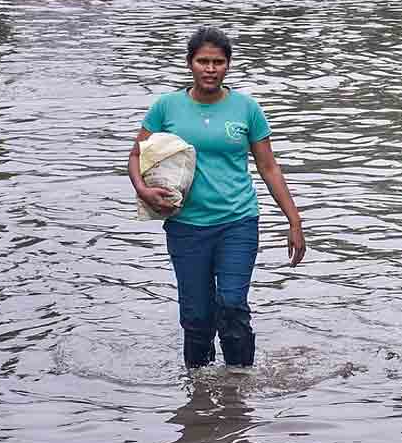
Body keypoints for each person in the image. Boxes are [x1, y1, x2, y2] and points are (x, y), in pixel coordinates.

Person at [129, 27, 308, 370]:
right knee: (195, 316)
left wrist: (294, 220)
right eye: (203, 61)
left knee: (232, 304)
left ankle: (239, 382)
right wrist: (143, 190)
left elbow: (269, 167)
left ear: (228, 65)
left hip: (237, 222)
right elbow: (136, 155)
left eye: (218, 62)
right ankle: (197, 387)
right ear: (190, 63)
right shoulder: (167, 107)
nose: (210, 69)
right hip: (186, 225)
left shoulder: (246, 108)